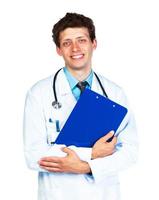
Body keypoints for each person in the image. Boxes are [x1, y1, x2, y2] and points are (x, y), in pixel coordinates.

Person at [23, 12, 138, 200]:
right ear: (59, 50)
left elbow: (130, 152)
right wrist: (92, 153)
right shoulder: (38, 94)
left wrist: (85, 166)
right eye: (67, 42)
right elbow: (34, 156)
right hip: (58, 194)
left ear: (94, 43)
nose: (75, 48)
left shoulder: (115, 93)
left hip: (103, 194)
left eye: (82, 40)